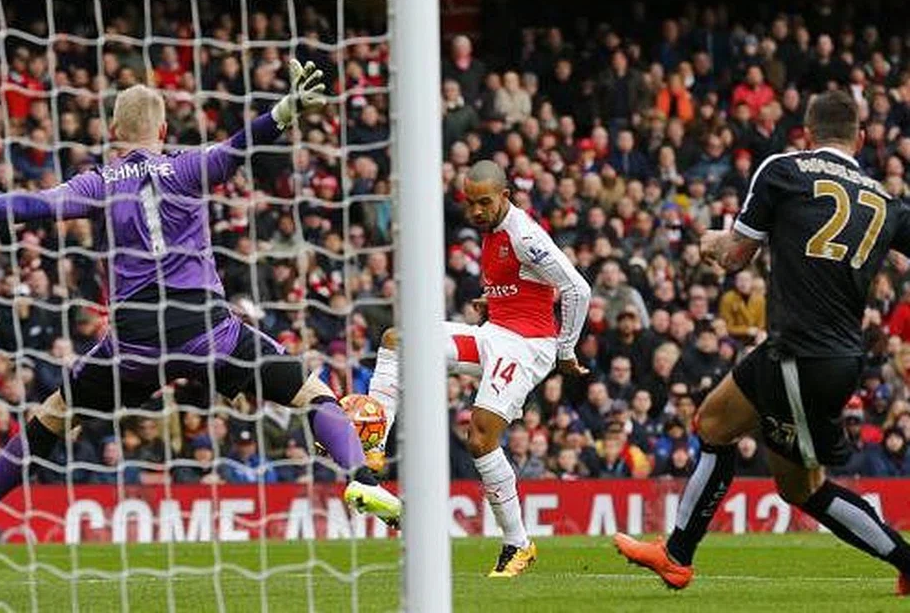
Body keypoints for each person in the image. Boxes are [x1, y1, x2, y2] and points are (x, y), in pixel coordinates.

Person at [0, 59, 400, 544]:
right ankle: (361, 477)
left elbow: (40, 204)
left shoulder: (98, 181)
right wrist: (286, 110)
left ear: (115, 132)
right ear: (163, 129)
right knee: (312, 395)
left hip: (134, 342)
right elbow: (238, 147)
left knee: (54, 416)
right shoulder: (188, 165)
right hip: (207, 329)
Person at [615, 90, 910, 596]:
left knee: (804, 489)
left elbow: (736, 256)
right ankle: (677, 556)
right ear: (861, 139)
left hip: (801, 355)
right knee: (713, 422)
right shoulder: (886, 201)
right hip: (821, 353)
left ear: (807, 134)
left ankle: (907, 560)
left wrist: (711, 243)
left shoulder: (784, 170)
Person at [366, 159, 591, 577]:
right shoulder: (489, 230)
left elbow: (577, 288)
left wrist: (565, 349)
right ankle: (373, 440)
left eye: (484, 202)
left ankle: (517, 544)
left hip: (527, 346)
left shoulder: (524, 235)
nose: (476, 211)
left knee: (481, 436)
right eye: (470, 203)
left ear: (505, 196)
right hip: (495, 334)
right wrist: (498, 301)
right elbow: (526, 285)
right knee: (397, 341)